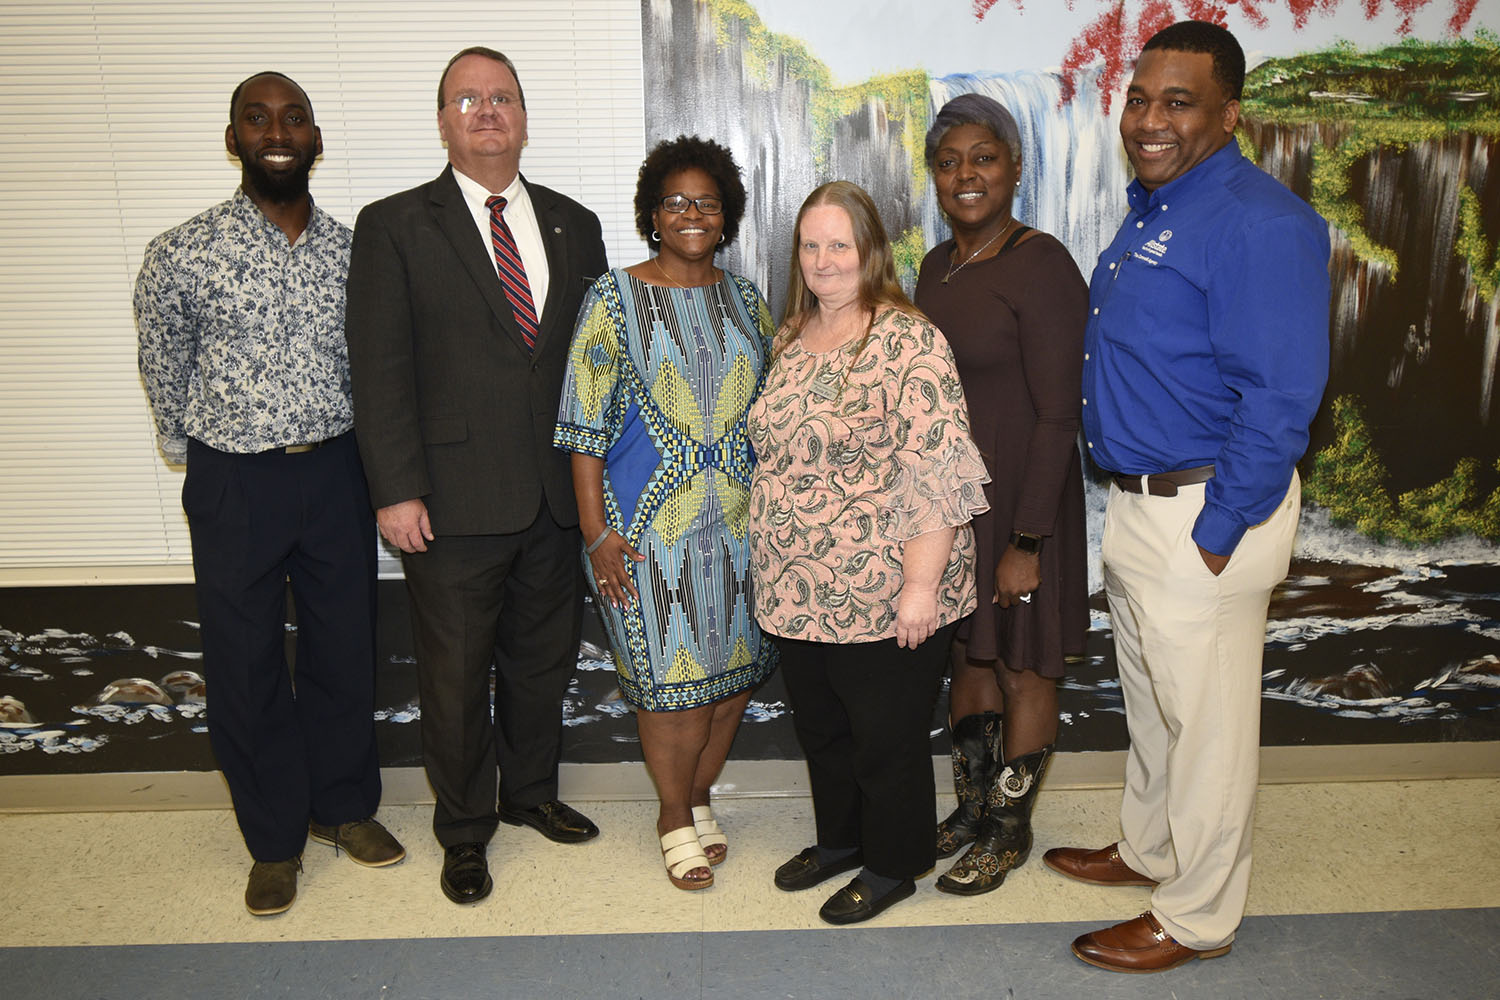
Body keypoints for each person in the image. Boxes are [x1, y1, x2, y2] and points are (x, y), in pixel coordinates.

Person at [1046, 20, 1331, 972]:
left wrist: (1217, 530)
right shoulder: (1157, 208)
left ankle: (1198, 915)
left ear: (1229, 113)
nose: (1150, 121)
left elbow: (1282, 396)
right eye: (1139, 99)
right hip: (1139, 502)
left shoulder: (1262, 222)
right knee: (1155, 704)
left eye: (1178, 102)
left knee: (1207, 730)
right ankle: (1150, 850)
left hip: (1207, 511)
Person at [135, 71, 404, 917]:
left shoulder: (359, 251)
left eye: (293, 118)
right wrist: (198, 455)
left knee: (341, 650)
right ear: (234, 138)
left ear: (316, 140)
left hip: (336, 471)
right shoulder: (181, 251)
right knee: (244, 664)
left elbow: (383, 363)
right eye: (258, 119)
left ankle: (344, 809)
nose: (277, 131)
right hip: (235, 478)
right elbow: (162, 363)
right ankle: (273, 840)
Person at [344, 47, 607, 906]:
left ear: (524, 118)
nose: (487, 111)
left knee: (541, 664)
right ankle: (463, 832)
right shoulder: (394, 226)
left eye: (502, 98)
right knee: (454, 682)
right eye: (468, 99)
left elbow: (593, 368)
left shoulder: (575, 223)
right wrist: (393, 487)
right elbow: (378, 367)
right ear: (445, 121)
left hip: (553, 498)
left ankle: (530, 794)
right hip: (448, 504)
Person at [748, 181, 991, 924]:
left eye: (839, 246)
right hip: (800, 589)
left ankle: (893, 864)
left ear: (871, 253)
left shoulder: (906, 340)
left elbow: (939, 467)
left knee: (885, 739)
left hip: (886, 589)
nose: (824, 261)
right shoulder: (793, 336)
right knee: (823, 728)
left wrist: (920, 587)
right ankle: (841, 840)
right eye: (811, 245)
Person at [555, 136, 776, 891]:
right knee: (673, 686)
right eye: (676, 202)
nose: (691, 214)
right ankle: (672, 815)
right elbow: (583, 432)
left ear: (727, 217)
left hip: (743, 531)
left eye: (707, 203)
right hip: (646, 535)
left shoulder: (747, 301)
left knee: (734, 677)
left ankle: (700, 796)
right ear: (653, 214)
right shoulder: (612, 300)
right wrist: (597, 536)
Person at [914, 93, 1090, 896]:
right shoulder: (932, 268)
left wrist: (1029, 542)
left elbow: (1060, 412)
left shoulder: (1042, 263)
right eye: (949, 162)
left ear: (1015, 167)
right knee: (967, 659)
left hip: (1024, 502)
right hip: (954, 508)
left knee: (1023, 667)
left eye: (983, 157)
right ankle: (974, 806)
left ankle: (1008, 831)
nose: (966, 174)